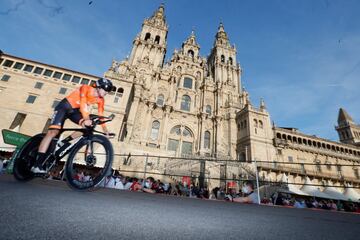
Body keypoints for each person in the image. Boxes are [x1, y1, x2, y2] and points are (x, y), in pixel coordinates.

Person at [31, 78, 114, 174]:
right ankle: (37, 164)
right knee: (53, 132)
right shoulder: (85, 88)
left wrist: (105, 131)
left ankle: (64, 142)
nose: (106, 93)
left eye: (108, 91)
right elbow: (83, 103)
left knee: (88, 127)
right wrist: (86, 118)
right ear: (98, 87)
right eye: (105, 89)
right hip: (64, 107)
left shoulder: (101, 100)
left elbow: (101, 115)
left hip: (74, 112)